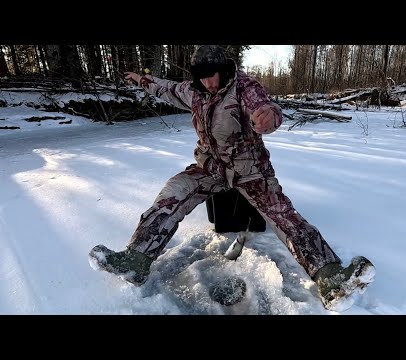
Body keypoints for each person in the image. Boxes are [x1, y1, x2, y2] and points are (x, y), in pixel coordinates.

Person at [89, 45, 375, 312]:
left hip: (249, 170)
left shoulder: (244, 88)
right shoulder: (193, 90)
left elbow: (265, 108)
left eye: (212, 76)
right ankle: (136, 260)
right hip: (209, 168)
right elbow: (166, 88)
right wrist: (141, 79)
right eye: (202, 78)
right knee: (172, 194)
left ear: (223, 70)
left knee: (283, 216)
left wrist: (268, 117)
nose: (209, 84)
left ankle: (331, 278)